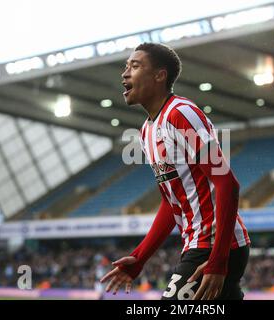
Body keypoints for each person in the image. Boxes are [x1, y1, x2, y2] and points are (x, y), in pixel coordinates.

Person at [100, 43, 250, 300]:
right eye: (126, 67)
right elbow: (172, 204)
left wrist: (218, 260)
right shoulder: (147, 132)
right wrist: (139, 258)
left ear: (160, 76)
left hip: (213, 245)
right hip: (198, 244)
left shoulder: (181, 114)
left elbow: (227, 184)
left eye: (135, 66)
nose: (125, 73)